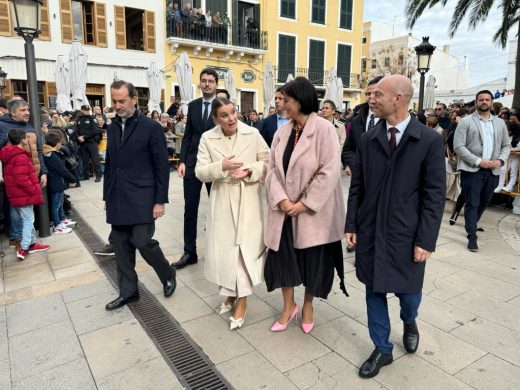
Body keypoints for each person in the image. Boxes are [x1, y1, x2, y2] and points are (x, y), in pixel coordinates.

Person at [345, 75, 445, 379]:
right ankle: (382, 348)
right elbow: (357, 186)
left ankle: (410, 320)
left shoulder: (428, 140)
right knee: (374, 291)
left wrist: (425, 240)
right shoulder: (367, 138)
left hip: (407, 233)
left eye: (378, 95)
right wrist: (352, 223)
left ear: (398, 98)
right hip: (371, 230)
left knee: (409, 293)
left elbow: (434, 195)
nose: (371, 100)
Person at [264, 77, 347, 335]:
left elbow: (330, 171)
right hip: (284, 210)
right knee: (282, 261)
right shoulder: (282, 131)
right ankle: (289, 307)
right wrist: (282, 200)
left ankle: (308, 305)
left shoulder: (323, 129)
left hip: (313, 212)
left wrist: (304, 204)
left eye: (285, 100)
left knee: (314, 263)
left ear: (300, 100)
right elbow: (270, 170)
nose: (281, 104)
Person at [195, 98, 269, 330]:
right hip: (222, 201)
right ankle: (229, 293)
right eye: (225, 115)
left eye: (233, 112)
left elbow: (267, 161)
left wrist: (251, 170)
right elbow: (200, 171)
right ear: (216, 119)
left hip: (248, 199)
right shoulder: (207, 137)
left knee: (243, 252)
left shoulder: (253, 133)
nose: (231, 118)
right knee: (227, 253)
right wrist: (222, 167)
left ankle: (243, 302)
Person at [103, 80, 176, 311]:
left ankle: (167, 273)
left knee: (143, 241)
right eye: (114, 101)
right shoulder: (113, 126)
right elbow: (111, 165)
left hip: (143, 196)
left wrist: (159, 200)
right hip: (118, 197)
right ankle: (129, 292)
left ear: (134, 99)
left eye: (122, 101)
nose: (118, 105)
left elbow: (161, 167)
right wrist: (107, 196)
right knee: (120, 244)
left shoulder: (151, 127)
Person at [453, 90, 510, 252]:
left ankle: (472, 224)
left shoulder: (499, 123)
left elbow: (506, 145)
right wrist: (478, 161)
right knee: (473, 202)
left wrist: (500, 160)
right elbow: (458, 146)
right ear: (476, 102)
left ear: (491, 102)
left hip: (493, 170)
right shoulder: (465, 122)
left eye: (487, 99)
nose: (484, 102)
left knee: (485, 201)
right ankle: (472, 235)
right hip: (472, 170)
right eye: (481, 100)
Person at [174, 68, 218, 269]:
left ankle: (218, 249)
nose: (207, 84)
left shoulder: (223, 106)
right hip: (192, 164)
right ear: (199, 83)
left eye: (210, 81)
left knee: (218, 209)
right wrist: (182, 161)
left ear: (216, 84)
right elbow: (189, 135)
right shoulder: (192, 106)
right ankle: (189, 252)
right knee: (189, 210)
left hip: (214, 165)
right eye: (203, 80)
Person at [0, 99, 48, 250]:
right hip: (16, 178)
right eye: (22, 110)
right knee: (17, 208)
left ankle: (28, 239)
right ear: (12, 113)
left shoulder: (30, 126)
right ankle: (17, 237)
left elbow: (39, 150)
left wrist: (43, 171)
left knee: (27, 211)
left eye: (27, 109)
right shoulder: (2, 126)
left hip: (33, 173)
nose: (27, 112)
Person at [42, 132, 77, 234]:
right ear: (57, 144)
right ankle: (57, 225)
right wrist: (73, 179)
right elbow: (62, 169)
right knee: (56, 205)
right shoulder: (52, 155)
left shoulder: (48, 153)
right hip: (56, 183)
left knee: (60, 203)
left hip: (57, 182)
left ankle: (62, 219)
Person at [75, 105, 102, 182]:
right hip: (82, 143)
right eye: (85, 110)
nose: (87, 111)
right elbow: (76, 130)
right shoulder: (78, 119)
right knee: (85, 160)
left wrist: (84, 137)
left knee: (95, 159)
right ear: (82, 110)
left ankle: (98, 175)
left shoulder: (92, 118)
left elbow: (95, 131)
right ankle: (85, 175)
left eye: (88, 110)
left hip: (91, 142)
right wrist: (78, 137)